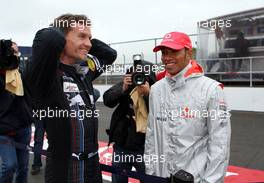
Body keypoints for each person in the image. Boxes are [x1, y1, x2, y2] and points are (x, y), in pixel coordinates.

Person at [24, 14, 117, 182]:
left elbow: (110, 54)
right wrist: (61, 32)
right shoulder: (46, 75)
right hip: (64, 172)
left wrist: (84, 43)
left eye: (90, 38)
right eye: (81, 36)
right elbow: (49, 39)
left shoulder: (85, 72)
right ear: (61, 39)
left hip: (92, 169)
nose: (88, 43)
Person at [144, 32, 231, 183]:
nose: (167, 57)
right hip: (160, 176)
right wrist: (150, 172)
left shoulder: (212, 89)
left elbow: (219, 144)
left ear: (188, 53)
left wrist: (210, 181)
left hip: (195, 179)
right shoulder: (156, 89)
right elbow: (151, 135)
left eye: (174, 51)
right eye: (164, 52)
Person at [103, 59, 156, 183]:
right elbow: (107, 100)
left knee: (148, 180)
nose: (138, 78)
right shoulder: (127, 85)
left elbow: (163, 112)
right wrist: (122, 88)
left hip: (145, 149)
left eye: (142, 75)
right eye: (135, 74)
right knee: (118, 180)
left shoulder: (156, 90)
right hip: (122, 145)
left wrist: (148, 94)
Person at [0, 40, 33, 183]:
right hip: (4, 130)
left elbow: (30, 94)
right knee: (9, 165)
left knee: (23, 167)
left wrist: (30, 112)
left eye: (17, 52)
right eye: (12, 52)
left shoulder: (21, 72)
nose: (16, 56)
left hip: (23, 127)